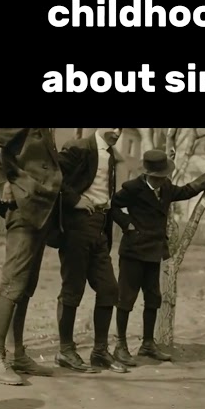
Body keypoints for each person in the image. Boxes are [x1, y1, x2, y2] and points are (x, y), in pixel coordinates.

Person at [110, 149, 205, 365]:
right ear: (149, 174)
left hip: (154, 253)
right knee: (126, 299)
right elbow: (113, 206)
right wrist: (127, 225)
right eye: (159, 176)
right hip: (133, 252)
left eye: (164, 176)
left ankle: (147, 344)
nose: (163, 179)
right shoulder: (132, 188)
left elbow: (187, 191)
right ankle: (121, 346)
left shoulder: (166, 188)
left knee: (153, 298)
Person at [0, 128, 62, 385]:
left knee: (26, 285)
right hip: (24, 207)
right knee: (13, 282)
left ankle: (17, 353)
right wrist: (2, 182)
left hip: (40, 210)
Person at [51, 128, 128, 374]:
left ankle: (100, 352)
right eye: (113, 126)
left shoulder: (111, 155)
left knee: (109, 288)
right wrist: (74, 200)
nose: (117, 131)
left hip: (100, 226)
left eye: (121, 128)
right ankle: (65, 350)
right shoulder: (79, 147)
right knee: (73, 288)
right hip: (77, 225)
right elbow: (54, 177)